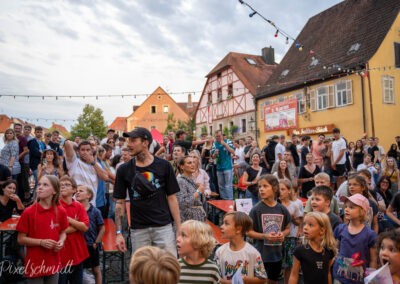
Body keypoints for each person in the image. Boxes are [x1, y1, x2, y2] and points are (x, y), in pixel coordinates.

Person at [113, 127, 181, 256]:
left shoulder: (164, 166)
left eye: (133, 140)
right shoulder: (124, 170)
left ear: (145, 142)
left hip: (163, 227)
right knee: (141, 273)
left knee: (168, 269)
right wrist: (119, 233)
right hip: (138, 229)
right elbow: (120, 203)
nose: (129, 144)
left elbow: (172, 198)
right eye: (128, 140)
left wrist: (178, 228)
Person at [16, 175, 68, 282]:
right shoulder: (28, 212)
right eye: (39, 184)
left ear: (54, 191)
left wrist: (61, 241)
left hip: (53, 261)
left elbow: (63, 232)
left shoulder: (60, 211)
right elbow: (20, 239)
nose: (40, 187)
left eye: (45, 185)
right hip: (35, 263)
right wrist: (41, 242)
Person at [248, 174, 291, 284]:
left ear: (275, 188)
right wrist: (264, 236)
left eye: (265, 186)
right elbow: (248, 232)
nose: (261, 189)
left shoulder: (282, 209)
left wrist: (282, 234)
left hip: (276, 255)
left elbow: (287, 228)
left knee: (273, 281)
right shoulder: (256, 210)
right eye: (260, 186)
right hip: (260, 255)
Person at [333, 194, 377, 284]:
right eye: (346, 206)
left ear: (362, 211)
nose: (346, 209)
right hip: (339, 277)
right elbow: (335, 250)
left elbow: (373, 260)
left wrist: (371, 278)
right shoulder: (340, 229)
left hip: (359, 280)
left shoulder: (370, 235)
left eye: (352, 207)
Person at [215, 211, 267, 283]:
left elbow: (263, 279)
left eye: (226, 224)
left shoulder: (253, 253)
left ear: (238, 229)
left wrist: (245, 280)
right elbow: (215, 277)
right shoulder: (220, 252)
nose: (221, 226)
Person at [289, 212, 337, 284]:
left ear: (322, 230)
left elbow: (328, 273)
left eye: (310, 225)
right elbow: (294, 275)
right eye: (305, 224)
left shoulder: (329, 251)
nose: (305, 227)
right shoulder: (300, 251)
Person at [58, 175, 89, 284]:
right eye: (61, 185)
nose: (63, 187)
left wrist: (69, 219)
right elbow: (55, 229)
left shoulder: (79, 206)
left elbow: (85, 227)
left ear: (74, 190)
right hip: (60, 253)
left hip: (76, 252)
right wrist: (76, 226)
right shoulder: (55, 206)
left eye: (66, 185)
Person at [64, 140, 108, 206]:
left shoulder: (96, 165)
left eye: (88, 150)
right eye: (82, 150)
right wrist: (77, 146)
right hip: (75, 204)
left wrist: (93, 162)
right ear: (78, 152)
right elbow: (67, 143)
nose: (85, 152)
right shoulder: (74, 162)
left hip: (91, 205)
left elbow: (105, 177)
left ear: (91, 151)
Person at [75, 185, 105, 284]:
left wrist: (96, 242)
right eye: (77, 191)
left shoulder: (96, 211)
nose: (77, 192)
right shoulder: (75, 210)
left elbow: (102, 228)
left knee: (96, 270)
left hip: (91, 245)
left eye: (81, 191)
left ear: (89, 195)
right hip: (78, 246)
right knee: (78, 271)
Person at [279, 179, 303, 284]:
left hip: (290, 237)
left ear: (289, 191)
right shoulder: (275, 204)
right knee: (276, 263)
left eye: (283, 189)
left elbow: (299, 221)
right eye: (278, 189)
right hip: (276, 237)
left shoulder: (294, 205)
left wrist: (293, 218)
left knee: (289, 264)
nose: (280, 191)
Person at [176, 156, 206, 222]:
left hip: (197, 217)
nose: (192, 165)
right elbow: (182, 203)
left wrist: (202, 193)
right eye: (189, 163)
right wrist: (198, 192)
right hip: (189, 219)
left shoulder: (192, 180)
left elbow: (200, 202)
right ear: (182, 167)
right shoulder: (180, 181)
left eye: (193, 162)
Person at [211, 130, 235, 200]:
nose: (218, 138)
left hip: (228, 167)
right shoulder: (214, 144)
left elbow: (233, 151)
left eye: (219, 136)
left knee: (228, 186)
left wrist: (225, 144)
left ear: (222, 135)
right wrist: (215, 154)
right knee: (221, 186)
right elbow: (213, 157)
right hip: (219, 168)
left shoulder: (228, 141)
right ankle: (224, 201)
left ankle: (230, 201)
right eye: (216, 136)